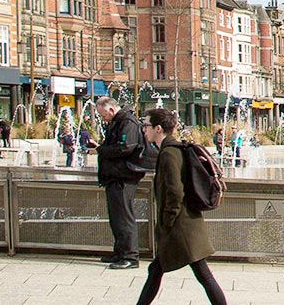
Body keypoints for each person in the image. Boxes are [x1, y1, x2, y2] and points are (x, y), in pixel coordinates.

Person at [135, 108, 226, 305]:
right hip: (185, 223)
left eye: (146, 125)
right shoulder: (174, 149)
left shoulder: (168, 153)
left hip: (181, 226)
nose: (144, 130)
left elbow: (175, 192)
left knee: (203, 274)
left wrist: (167, 222)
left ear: (158, 128)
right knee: (157, 270)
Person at [94, 97, 155, 270]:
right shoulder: (118, 122)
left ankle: (130, 256)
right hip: (115, 176)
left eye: (102, 114)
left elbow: (125, 147)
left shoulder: (127, 122)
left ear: (111, 110)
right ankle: (120, 252)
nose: (102, 118)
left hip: (124, 176)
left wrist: (101, 149)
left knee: (123, 216)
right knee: (116, 216)